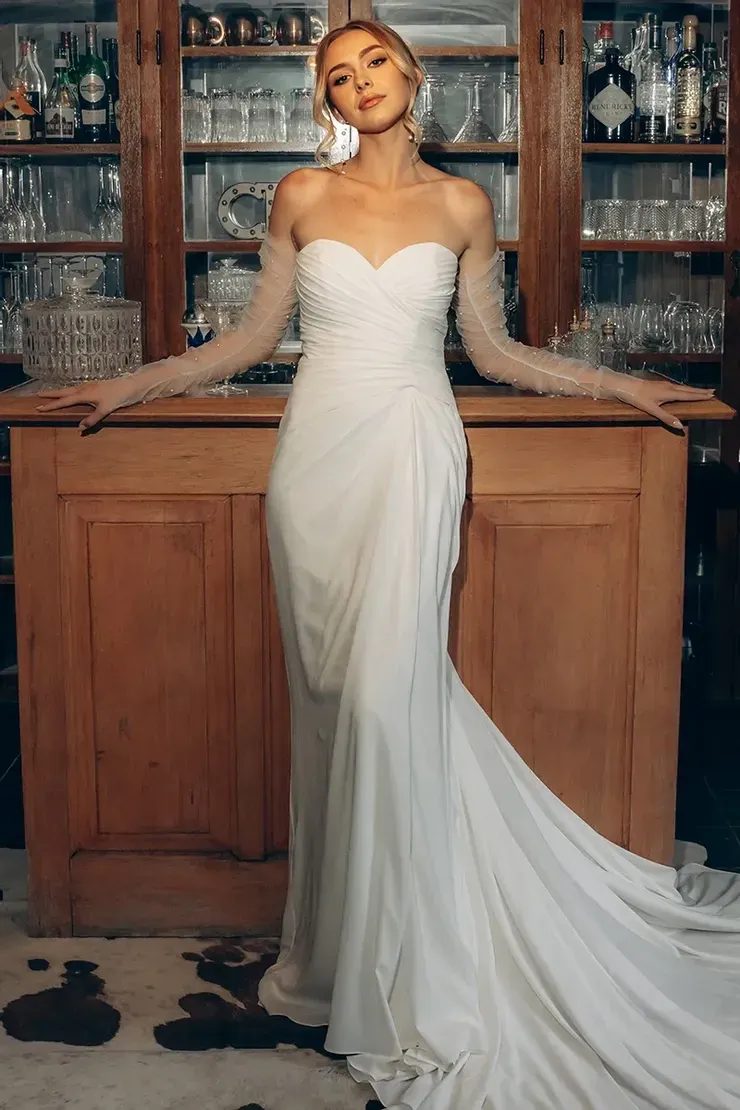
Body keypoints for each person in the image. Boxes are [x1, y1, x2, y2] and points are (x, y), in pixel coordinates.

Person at [38, 20, 740, 1110]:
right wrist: (123, 387)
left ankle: (399, 972)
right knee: (329, 714)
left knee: (380, 702)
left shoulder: (463, 206)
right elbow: (248, 342)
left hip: (413, 448)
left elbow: (494, 353)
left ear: (413, 74)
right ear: (326, 101)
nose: (357, 82)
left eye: (372, 63)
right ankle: (331, 965)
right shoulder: (300, 196)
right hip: (314, 468)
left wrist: (623, 387)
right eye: (337, 75)